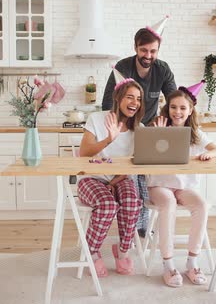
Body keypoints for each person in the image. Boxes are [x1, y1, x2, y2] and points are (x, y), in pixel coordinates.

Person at [102, 16, 177, 237]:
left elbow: (173, 102)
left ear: (158, 50)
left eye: (153, 51)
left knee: (146, 179)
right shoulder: (123, 67)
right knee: (128, 177)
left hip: (149, 131)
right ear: (135, 48)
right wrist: (121, 128)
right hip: (125, 129)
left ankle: (142, 227)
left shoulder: (163, 70)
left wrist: (159, 123)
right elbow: (108, 103)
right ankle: (130, 225)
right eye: (144, 50)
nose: (148, 56)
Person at [147, 81, 216, 287]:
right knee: (168, 203)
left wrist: (209, 153)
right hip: (160, 185)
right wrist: (158, 134)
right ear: (167, 108)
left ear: (190, 110)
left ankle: (192, 262)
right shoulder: (158, 124)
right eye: (173, 107)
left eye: (182, 108)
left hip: (184, 186)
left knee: (201, 205)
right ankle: (168, 264)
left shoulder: (195, 134)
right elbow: (146, 153)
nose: (177, 112)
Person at [77, 72, 145, 277]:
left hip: (120, 178)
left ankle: (122, 251)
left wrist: (115, 181)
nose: (135, 102)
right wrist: (108, 139)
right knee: (107, 204)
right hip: (91, 178)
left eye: (139, 99)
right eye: (130, 97)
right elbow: (84, 154)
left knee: (133, 202)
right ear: (118, 98)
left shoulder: (138, 128)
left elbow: (134, 165)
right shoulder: (97, 119)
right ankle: (93, 253)